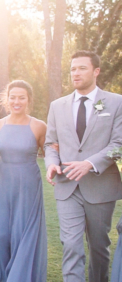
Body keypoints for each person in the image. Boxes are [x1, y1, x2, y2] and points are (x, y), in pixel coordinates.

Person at [45, 50, 122, 282]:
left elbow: (118, 144)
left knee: (99, 247)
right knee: (70, 244)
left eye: (82, 68)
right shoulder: (57, 106)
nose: (75, 73)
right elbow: (51, 143)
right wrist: (51, 163)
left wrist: (89, 163)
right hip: (67, 186)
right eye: (72, 69)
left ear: (96, 71)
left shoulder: (117, 102)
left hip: (101, 187)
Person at [0, 80, 47, 281]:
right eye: (13, 97)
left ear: (28, 99)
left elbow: (50, 154)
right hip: (2, 185)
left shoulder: (39, 126)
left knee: (22, 235)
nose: (16, 101)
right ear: (7, 99)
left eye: (21, 97)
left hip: (28, 185)